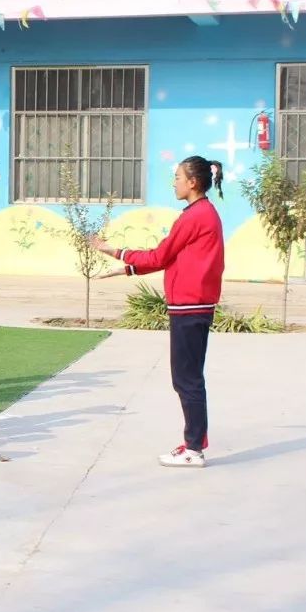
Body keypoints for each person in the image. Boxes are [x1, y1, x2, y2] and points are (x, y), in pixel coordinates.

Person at [91, 155, 226, 469]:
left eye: (178, 177)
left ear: (193, 182)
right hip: (192, 305)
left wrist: (115, 253)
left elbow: (160, 256)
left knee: (186, 378)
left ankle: (194, 449)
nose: (174, 183)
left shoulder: (195, 216)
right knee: (187, 377)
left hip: (190, 306)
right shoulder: (201, 214)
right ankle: (195, 441)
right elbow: (167, 258)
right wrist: (126, 267)